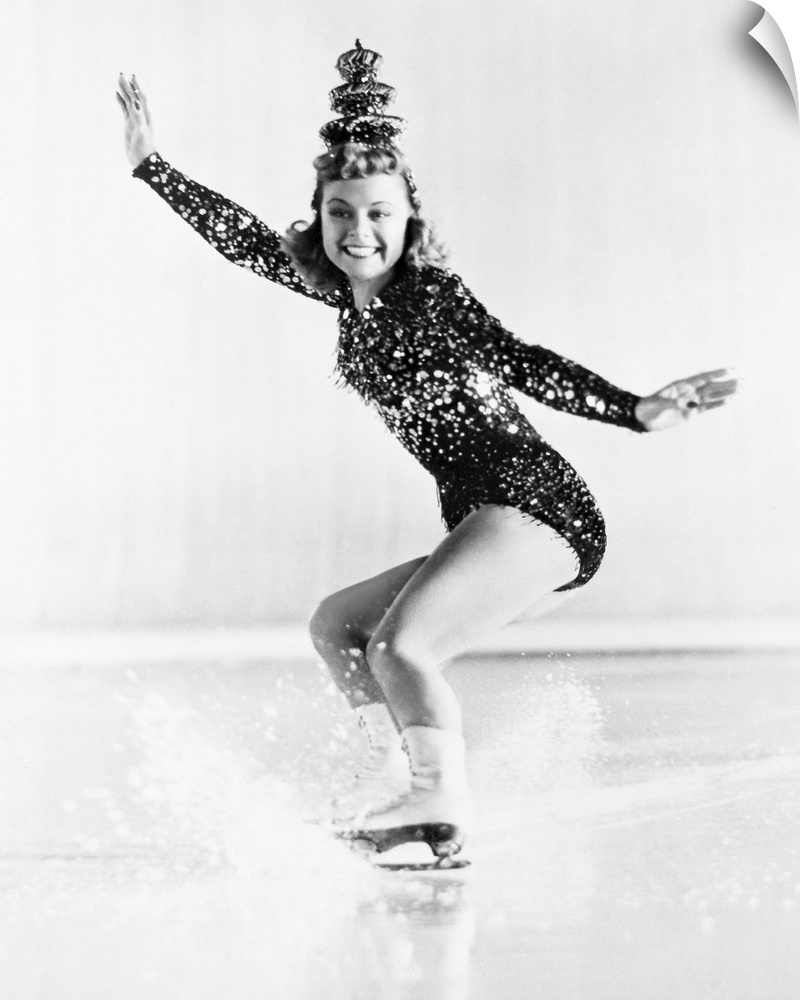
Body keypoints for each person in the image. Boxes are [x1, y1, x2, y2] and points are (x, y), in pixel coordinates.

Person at [116, 42, 737, 862]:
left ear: (410, 217)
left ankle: (439, 801)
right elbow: (246, 243)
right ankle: (394, 779)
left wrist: (633, 411)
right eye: (341, 213)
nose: (359, 230)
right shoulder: (346, 296)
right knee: (339, 626)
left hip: (535, 505)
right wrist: (152, 166)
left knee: (399, 649)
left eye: (379, 212)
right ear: (320, 220)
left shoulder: (427, 295)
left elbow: (517, 357)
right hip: (484, 514)